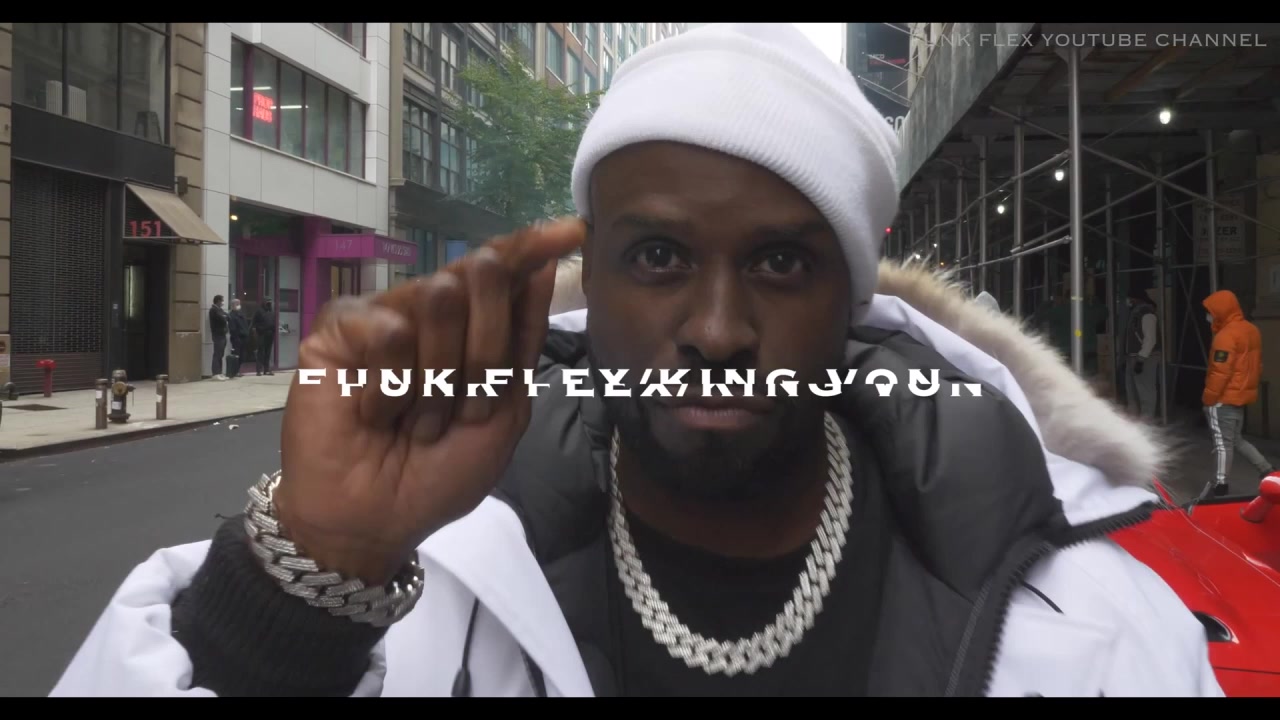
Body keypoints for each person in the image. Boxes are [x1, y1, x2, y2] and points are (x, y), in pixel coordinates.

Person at [51, 23, 1219, 697]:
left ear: (853, 297)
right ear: (589, 281)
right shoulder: (421, 581)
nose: (714, 328)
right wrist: (307, 575)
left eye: (779, 262)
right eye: (658, 256)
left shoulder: (1095, 622)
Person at [1202, 289, 1275, 496]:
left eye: (1210, 312)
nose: (1208, 316)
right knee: (1237, 440)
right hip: (1239, 397)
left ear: (1220, 311)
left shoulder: (1225, 336)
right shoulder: (1251, 330)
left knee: (1222, 444)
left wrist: (1209, 398)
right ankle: (1267, 469)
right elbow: (1256, 366)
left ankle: (1220, 484)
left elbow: (1220, 372)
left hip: (1222, 399)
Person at [1124, 285, 1160, 419]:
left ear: (1135, 299)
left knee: (1146, 390)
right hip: (1134, 357)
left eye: (1130, 298)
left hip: (1145, 358)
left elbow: (1150, 339)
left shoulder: (1147, 314)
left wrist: (1141, 359)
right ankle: (1134, 420)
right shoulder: (1136, 313)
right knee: (1132, 391)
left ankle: (1147, 421)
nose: (1128, 301)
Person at [251, 298, 276, 376]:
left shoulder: (271, 311)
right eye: (268, 302)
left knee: (268, 352)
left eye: (270, 302)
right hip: (262, 334)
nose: (269, 304)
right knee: (261, 352)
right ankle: (259, 370)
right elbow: (254, 322)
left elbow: (273, 322)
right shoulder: (259, 311)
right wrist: (256, 331)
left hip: (270, 334)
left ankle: (266, 370)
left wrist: (273, 331)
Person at [227, 298, 250, 379]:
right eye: (237, 304)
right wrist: (236, 337)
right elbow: (232, 328)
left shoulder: (241, 314)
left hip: (244, 337)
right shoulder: (231, 315)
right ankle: (235, 371)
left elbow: (245, 325)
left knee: (242, 356)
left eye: (239, 304)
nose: (239, 305)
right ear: (233, 305)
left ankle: (238, 370)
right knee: (237, 355)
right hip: (237, 338)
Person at [208, 295, 229, 381]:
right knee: (217, 354)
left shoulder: (220, 310)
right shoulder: (213, 310)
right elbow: (222, 319)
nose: (223, 302)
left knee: (221, 354)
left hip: (223, 334)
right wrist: (224, 317)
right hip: (217, 335)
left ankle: (220, 372)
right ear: (218, 301)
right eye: (222, 300)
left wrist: (225, 316)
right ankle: (215, 373)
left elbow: (228, 316)